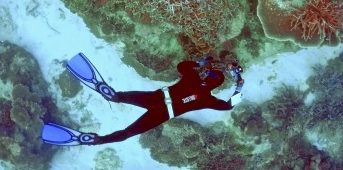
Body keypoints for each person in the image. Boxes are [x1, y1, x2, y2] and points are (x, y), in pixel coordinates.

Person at [42, 53, 244, 146]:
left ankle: (111, 95)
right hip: (163, 113)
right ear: (215, 87)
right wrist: (239, 86)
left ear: (206, 77)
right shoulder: (207, 99)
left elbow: (182, 66)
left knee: (119, 97)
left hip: (157, 98)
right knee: (128, 132)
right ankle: (97, 140)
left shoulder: (192, 76)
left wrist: (199, 64)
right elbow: (227, 106)